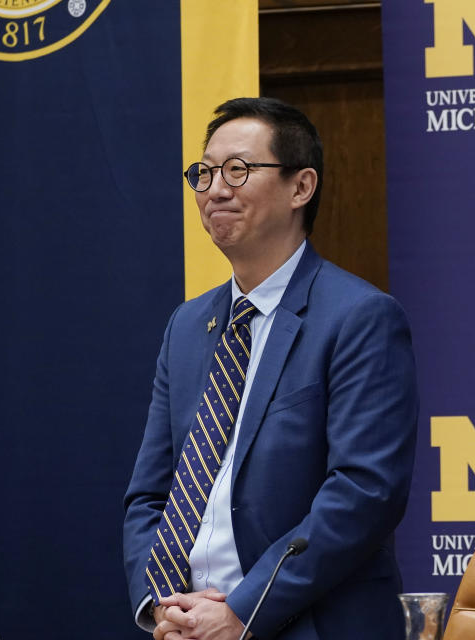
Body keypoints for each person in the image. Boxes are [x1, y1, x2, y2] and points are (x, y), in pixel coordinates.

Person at [123, 97, 418, 640]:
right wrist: (162, 604)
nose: (214, 189)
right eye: (203, 173)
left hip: (305, 624)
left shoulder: (360, 317)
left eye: (238, 170)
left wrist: (243, 611)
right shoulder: (187, 327)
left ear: (301, 187)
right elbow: (151, 494)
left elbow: (363, 493)